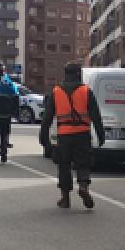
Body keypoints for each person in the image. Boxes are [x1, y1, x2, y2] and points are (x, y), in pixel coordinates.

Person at [40, 61, 106, 209]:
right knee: (83, 163)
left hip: (64, 136)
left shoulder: (56, 92)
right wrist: (101, 135)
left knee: (64, 165)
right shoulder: (86, 91)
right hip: (82, 134)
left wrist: (44, 137)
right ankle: (83, 187)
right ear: (78, 74)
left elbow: (47, 118)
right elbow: (96, 115)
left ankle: (65, 199)